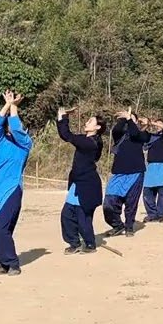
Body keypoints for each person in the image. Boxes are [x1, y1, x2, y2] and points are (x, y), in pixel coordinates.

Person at [0, 90, 32, 276]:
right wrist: (7, 105)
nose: (13, 128)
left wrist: (15, 107)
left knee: (2, 227)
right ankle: (1, 262)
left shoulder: (24, 144)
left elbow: (17, 128)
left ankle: (13, 263)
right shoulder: (1, 141)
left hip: (11, 190)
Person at [56, 105, 104, 254]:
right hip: (77, 183)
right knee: (66, 215)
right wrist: (62, 116)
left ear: (97, 127)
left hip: (88, 185)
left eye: (90, 121)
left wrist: (63, 116)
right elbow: (66, 135)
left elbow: (67, 135)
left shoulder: (91, 143)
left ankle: (90, 244)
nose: (86, 123)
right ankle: (74, 243)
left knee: (83, 217)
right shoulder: (86, 139)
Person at [104, 109, 150, 237]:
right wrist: (124, 118)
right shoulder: (119, 135)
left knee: (131, 202)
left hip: (136, 172)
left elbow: (135, 133)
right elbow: (116, 130)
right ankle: (117, 225)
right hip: (119, 172)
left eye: (131, 118)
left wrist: (131, 120)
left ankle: (129, 226)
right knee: (109, 203)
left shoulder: (142, 135)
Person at [143, 117, 163, 223]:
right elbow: (140, 134)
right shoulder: (151, 137)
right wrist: (146, 124)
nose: (157, 125)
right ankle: (152, 214)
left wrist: (153, 123)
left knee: (161, 192)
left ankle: (160, 214)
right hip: (151, 167)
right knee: (147, 192)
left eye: (159, 123)